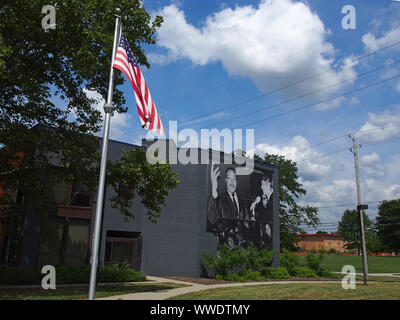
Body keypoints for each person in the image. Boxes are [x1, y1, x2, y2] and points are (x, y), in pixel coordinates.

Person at [207, 164, 250, 248]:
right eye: (229, 178)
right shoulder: (220, 198)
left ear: (237, 181)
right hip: (226, 248)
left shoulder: (244, 202)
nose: (231, 182)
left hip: (242, 249)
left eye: (234, 178)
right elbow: (212, 219)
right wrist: (214, 191)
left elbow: (247, 225)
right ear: (225, 180)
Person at [249, 176, 273, 249]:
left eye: (262, 185)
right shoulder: (261, 202)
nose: (261, 187)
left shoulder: (272, 199)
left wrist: (268, 225)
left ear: (267, 184)